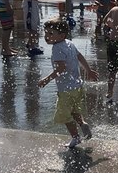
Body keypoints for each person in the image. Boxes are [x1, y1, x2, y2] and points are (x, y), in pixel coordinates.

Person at [39, 18, 96, 148]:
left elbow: (60, 69)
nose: (47, 36)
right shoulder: (69, 43)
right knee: (75, 110)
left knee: (65, 115)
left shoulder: (57, 49)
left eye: (51, 34)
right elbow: (80, 56)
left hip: (66, 90)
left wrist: (46, 80)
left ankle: (76, 137)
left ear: (62, 35)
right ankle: (83, 124)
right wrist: (89, 70)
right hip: (77, 86)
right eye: (46, 33)